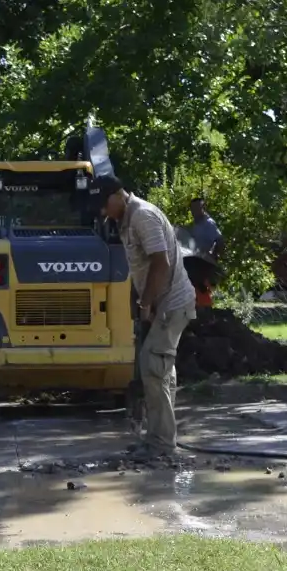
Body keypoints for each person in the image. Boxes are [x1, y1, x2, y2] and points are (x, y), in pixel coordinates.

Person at [95, 174, 198, 458]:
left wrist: (146, 304)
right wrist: (136, 298)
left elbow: (161, 264)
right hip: (163, 302)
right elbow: (139, 266)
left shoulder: (142, 216)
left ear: (117, 194)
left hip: (172, 303)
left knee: (152, 366)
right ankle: (159, 438)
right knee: (160, 370)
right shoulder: (125, 220)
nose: (103, 213)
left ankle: (162, 445)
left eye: (104, 205)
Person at [189, 197, 225, 309]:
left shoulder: (208, 223)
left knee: (202, 288)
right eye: (192, 209)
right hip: (194, 262)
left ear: (203, 208)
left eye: (197, 208)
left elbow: (220, 241)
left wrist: (213, 256)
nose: (194, 211)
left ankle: (206, 311)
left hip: (203, 264)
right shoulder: (196, 225)